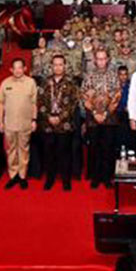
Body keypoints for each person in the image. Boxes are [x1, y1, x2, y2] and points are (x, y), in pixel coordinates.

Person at [81, 49, 120, 188]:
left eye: (104, 58)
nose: (101, 61)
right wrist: (94, 113)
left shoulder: (113, 76)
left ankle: (107, 177)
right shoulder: (89, 76)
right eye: (99, 59)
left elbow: (117, 96)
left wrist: (105, 114)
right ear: (95, 60)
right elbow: (84, 96)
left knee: (108, 148)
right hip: (93, 119)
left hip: (109, 118)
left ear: (107, 59)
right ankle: (96, 177)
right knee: (94, 148)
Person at [39, 55, 78, 191]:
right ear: (51, 66)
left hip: (65, 124)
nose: (58, 67)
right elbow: (40, 102)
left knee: (65, 153)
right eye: (55, 64)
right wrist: (48, 117)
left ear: (65, 66)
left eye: (60, 64)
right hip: (48, 124)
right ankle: (50, 179)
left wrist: (60, 117)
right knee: (49, 153)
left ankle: (66, 180)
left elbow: (73, 104)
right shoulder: (45, 82)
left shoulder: (71, 83)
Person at [0, 58, 37, 189]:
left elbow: (34, 103)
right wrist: (0, 122)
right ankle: (13, 175)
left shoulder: (31, 82)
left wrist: (34, 120)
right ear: (11, 70)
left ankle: (22, 175)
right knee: (11, 150)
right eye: (15, 68)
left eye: (20, 67)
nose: (18, 70)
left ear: (25, 68)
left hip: (25, 123)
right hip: (9, 123)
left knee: (24, 149)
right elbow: (1, 104)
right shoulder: (5, 83)